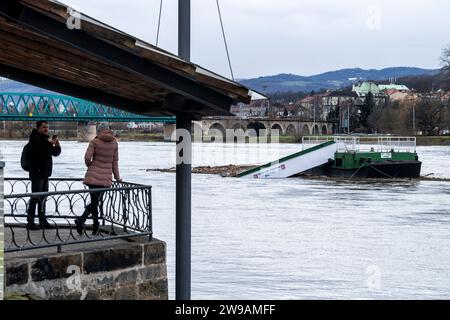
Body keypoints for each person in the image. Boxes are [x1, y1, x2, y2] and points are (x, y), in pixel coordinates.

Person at [74, 122, 121, 235]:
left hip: (93, 176)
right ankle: (93, 225)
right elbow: (115, 162)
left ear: (99, 130)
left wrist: (90, 165)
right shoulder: (114, 142)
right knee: (96, 202)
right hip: (106, 178)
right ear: (108, 130)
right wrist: (117, 177)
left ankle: (83, 220)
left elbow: (87, 157)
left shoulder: (94, 141)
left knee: (94, 201)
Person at [26, 120, 61, 230]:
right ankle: (30, 222)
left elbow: (55, 153)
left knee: (43, 198)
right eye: (43, 127)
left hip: (45, 173)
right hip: (37, 173)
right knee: (36, 197)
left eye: (47, 127)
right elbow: (38, 151)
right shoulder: (34, 138)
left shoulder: (45, 140)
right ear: (38, 128)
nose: (46, 129)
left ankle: (42, 220)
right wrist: (48, 143)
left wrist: (57, 145)